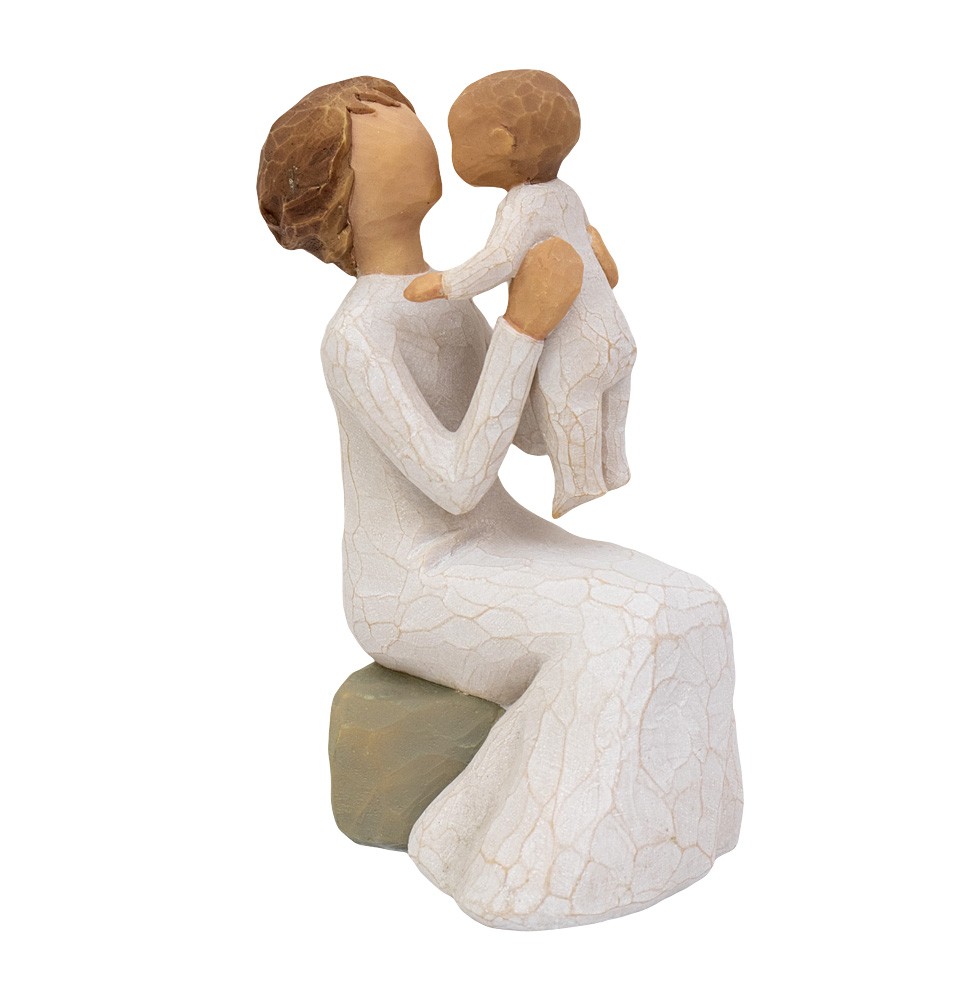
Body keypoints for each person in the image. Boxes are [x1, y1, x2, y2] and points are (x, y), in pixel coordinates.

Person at [258, 78, 742, 930]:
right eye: (376, 123)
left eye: (403, 110)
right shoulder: (359, 334)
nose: (410, 125)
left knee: (694, 604)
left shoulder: (445, 303)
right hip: (414, 579)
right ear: (339, 190)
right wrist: (521, 325)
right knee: (622, 628)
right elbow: (454, 482)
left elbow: (525, 436)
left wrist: (577, 310)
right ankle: (502, 859)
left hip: (495, 541)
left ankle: (674, 836)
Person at [404, 70, 636, 518]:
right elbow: (594, 252)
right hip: (616, 331)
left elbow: (499, 261)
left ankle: (579, 483)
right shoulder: (566, 195)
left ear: (501, 142)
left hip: (578, 345)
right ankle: (615, 465)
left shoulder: (522, 205)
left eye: (459, 140)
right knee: (610, 399)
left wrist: (445, 283)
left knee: (566, 399)